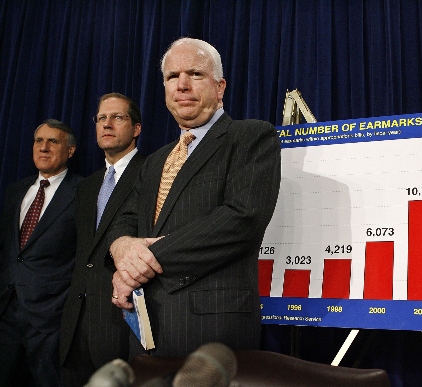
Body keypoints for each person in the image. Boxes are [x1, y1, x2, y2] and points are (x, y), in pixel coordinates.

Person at [108, 37, 281, 357]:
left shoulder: (251, 136)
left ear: (220, 87)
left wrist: (144, 260)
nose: (182, 85)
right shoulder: (156, 160)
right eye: (172, 77)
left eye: (195, 74)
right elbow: (126, 217)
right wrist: (121, 248)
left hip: (210, 329)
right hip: (145, 329)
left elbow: (242, 218)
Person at [60, 93, 146, 386]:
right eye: (101, 118)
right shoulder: (87, 186)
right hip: (76, 324)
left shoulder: (151, 173)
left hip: (122, 320)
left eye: (117, 117)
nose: (107, 124)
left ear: (136, 128)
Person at [0, 119, 82, 387]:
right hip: (7, 313)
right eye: (39, 141)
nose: (43, 147)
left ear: (70, 151)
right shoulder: (15, 191)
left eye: (53, 141)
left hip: (51, 319)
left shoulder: (84, 192)